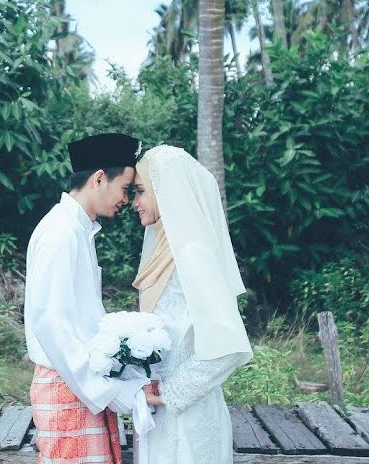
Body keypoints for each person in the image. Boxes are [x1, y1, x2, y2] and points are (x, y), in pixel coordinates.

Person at [24, 133, 150, 464]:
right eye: (125, 189)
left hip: (82, 386)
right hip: (69, 385)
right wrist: (116, 392)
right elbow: (52, 325)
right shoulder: (60, 232)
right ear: (98, 179)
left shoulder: (78, 230)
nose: (126, 200)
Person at [131, 144, 253, 463]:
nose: (135, 202)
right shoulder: (162, 255)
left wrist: (168, 394)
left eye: (141, 191)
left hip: (190, 419)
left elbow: (228, 348)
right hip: (159, 418)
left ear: (165, 191)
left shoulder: (193, 255)